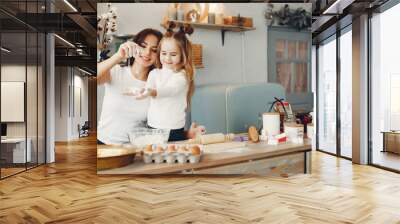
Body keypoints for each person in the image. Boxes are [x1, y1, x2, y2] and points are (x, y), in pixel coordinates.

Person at [97, 28, 203, 145]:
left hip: (135, 150)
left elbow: (159, 128)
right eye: (143, 46)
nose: (147, 53)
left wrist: (186, 134)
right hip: (103, 145)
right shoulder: (116, 72)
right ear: (134, 45)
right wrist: (117, 57)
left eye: (154, 50)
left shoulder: (158, 82)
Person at [133, 24, 195, 142]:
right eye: (164, 53)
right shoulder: (154, 73)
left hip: (173, 129)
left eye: (173, 54)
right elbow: (148, 88)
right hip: (153, 126)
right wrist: (143, 91)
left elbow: (170, 90)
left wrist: (153, 92)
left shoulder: (182, 77)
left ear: (183, 56)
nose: (167, 58)